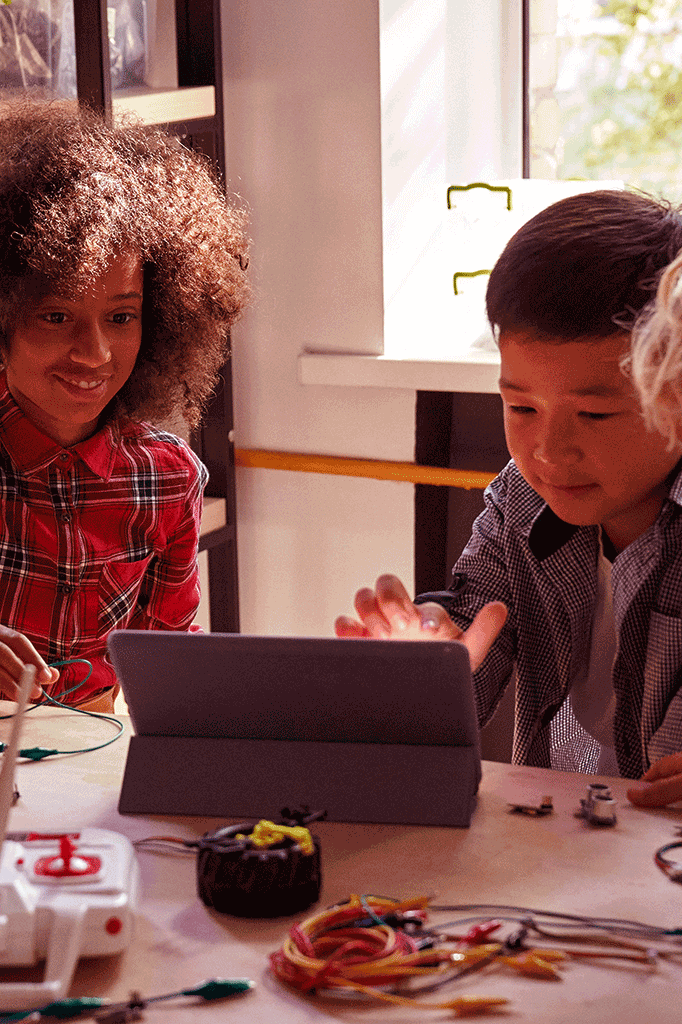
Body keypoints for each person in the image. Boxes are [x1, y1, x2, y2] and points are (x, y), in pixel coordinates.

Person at [335, 189, 682, 808]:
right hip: (565, 835)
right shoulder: (522, 503)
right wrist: (429, 659)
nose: (549, 451)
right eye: (521, 408)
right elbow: (470, 620)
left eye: (594, 414)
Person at [0, 99, 250, 710]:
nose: (94, 353)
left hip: (91, 756)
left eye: (121, 317)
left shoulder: (168, 478)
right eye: (55, 316)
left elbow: (168, 667)